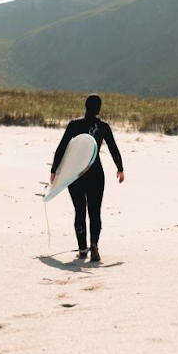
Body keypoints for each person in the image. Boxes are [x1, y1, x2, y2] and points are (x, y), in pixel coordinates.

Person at [51, 94, 124, 262]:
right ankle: (94, 245)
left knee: (79, 211)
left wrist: (54, 170)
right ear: (99, 108)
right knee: (95, 211)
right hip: (96, 172)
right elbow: (113, 148)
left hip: (76, 173)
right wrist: (120, 169)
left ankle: (83, 249)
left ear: (85, 106)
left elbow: (61, 148)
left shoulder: (74, 125)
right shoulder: (103, 126)